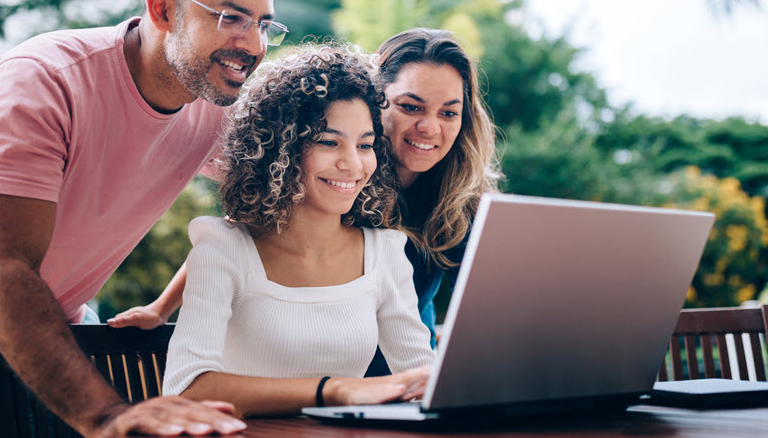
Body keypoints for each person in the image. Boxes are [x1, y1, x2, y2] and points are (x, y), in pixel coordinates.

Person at [0, 0, 288, 436]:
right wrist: (107, 414)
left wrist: (164, 305)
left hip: (47, 331)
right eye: (231, 17)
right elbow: (2, 267)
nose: (255, 45)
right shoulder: (45, 78)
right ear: (163, 8)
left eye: (263, 24)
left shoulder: (214, 109)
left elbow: (278, 206)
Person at [109, 28, 501, 368]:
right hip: (316, 370)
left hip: (400, 372)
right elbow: (237, 239)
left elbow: (496, 306)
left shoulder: (458, 200)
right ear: (375, 100)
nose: (430, 127)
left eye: (449, 113)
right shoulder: (333, 178)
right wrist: (162, 308)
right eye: (410, 107)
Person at [162, 44, 435, 417]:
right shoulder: (224, 248)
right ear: (280, 148)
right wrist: (334, 391)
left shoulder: (385, 253)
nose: (353, 164)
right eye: (328, 142)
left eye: (366, 145)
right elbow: (186, 389)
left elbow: (421, 379)